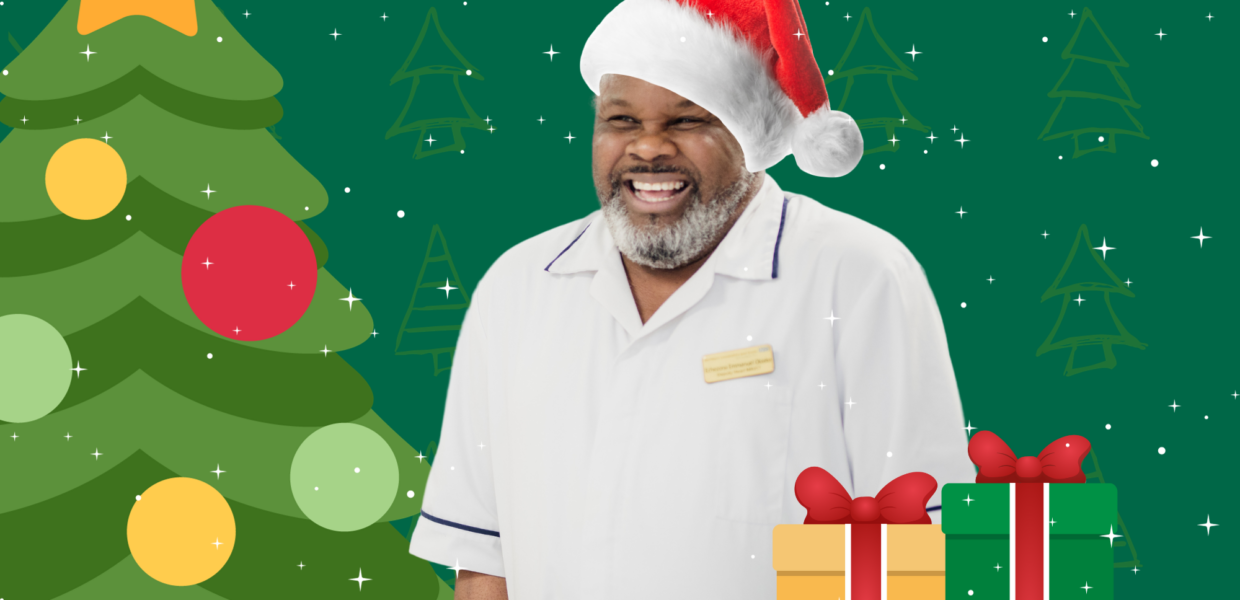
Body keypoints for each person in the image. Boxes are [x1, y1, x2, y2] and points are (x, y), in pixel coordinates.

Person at [409, 0, 976, 598]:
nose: (647, 148)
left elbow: (920, 551)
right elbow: (480, 554)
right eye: (622, 120)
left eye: (687, 120)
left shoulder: (858, 276)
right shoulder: (518, 287)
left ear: (749, 136)